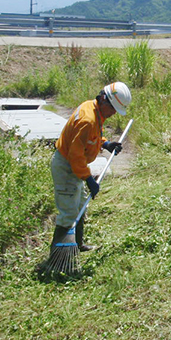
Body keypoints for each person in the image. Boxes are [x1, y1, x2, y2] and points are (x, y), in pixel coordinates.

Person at [49, 82, 131, 254]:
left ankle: (76, 246)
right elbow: (75, 156)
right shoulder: (88, 119)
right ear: (103, 99)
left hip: (76, 167)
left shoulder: (93, 109)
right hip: (67, 168)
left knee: (79, 207)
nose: (114, 113)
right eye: (113, 108)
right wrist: (88, 179)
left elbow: (90, 138)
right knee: (68, 214)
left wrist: (106, 143)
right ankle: (58, 260)